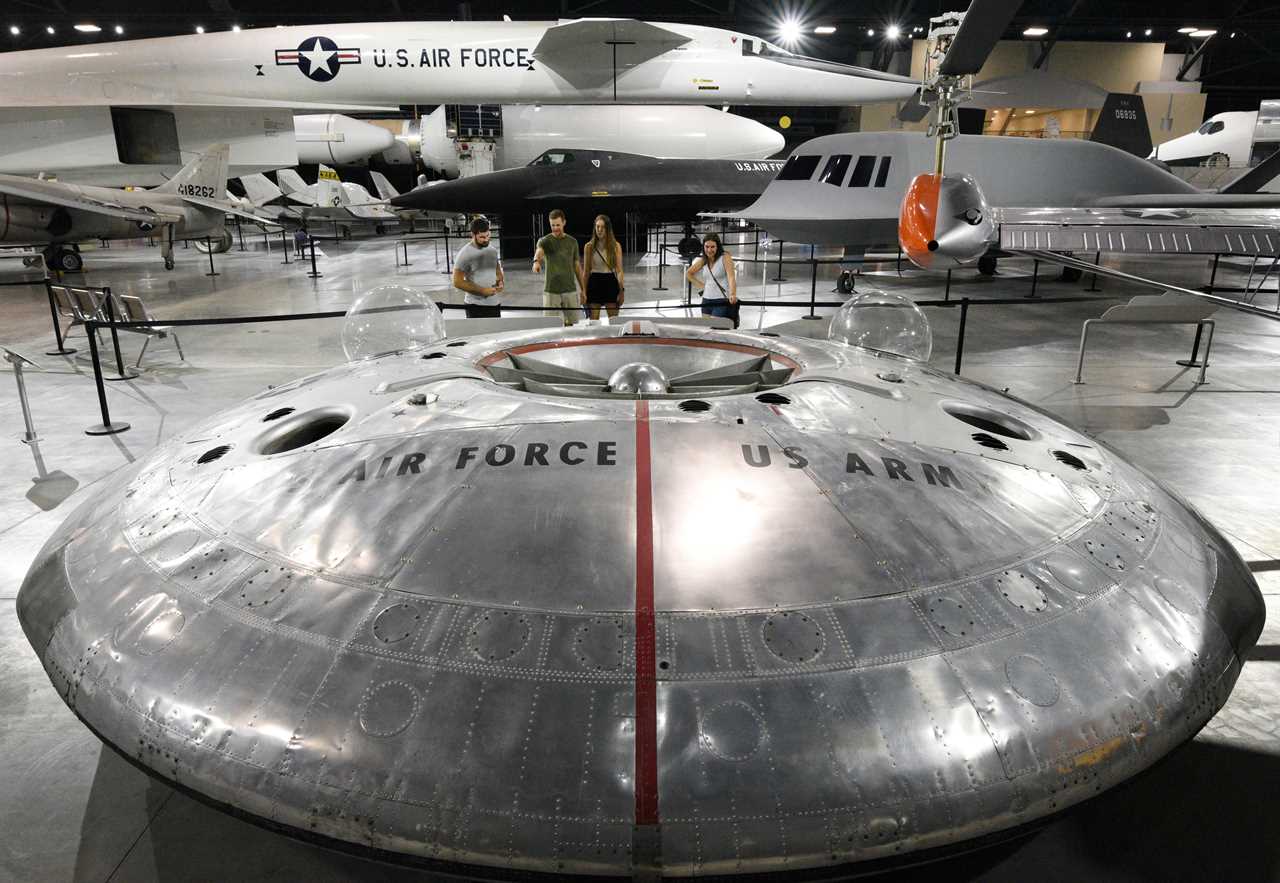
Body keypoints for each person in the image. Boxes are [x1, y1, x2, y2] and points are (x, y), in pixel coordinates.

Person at [532, 209, 583, 326]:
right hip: (551, 291)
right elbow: (539, 251)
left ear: (564, 222)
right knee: (551, 326)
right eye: (552, 225)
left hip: (570, 289)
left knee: (572, 325)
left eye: (558, 225)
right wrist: (536, 262)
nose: (555, 228)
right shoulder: (545, 241)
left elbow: (577, 266)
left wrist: (583, 289)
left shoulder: (572, 242)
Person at [452, 216, 504, 318]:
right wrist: (482, 291)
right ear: (473, 235)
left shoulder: (492, 250)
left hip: (494, 304)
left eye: (488, 235)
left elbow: (497, 269)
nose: (486, 239)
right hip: (475, 306)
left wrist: (500, 281)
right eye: (482, 237)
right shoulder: (465, 254)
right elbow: (457, 281)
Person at [686, 233, 738, 328]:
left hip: (721, 300)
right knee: (706, 330)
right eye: (707, 247)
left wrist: (733, 294)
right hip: (706, 300)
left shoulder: (725, 257)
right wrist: (702, 286)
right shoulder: (704, 260)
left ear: (717, 246)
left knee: (714, 330)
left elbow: (731, 277)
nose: (709, 250)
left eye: (712, 247)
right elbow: (689, 273)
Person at [581, 214, 624, 321]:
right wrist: (583, 291)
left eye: (602, 227)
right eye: (597, 227)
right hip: (594, 282)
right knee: (593, 321)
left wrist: (621, 290)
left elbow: (619, 271)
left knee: (614, 320)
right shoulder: (589, 247)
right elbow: (586, 272)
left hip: (610, 282)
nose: (599, 230)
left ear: (607, 229)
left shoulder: (615, 246)